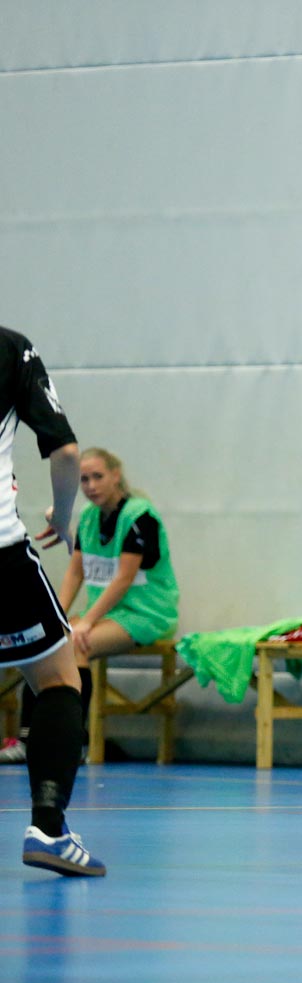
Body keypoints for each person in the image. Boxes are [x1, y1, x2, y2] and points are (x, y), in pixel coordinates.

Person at [0, 324, 105, 876]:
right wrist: (64, 516)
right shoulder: (10, 349)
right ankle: (48, 828)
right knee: (60, 680)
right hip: (2, 558)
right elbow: (64, 449)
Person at [3, 448, 181, 767]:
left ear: (116, 475)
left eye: (98, 476)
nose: (90, 485)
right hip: (106, 614)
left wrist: (85, 622)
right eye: (83, 479)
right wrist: (53, 617)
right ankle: (29, 738)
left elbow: (124, 579)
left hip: (146, 614)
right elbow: (75, 571)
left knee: (75, 646)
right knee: (45, 643)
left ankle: (75, 742)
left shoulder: (139, 516)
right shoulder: (87, 517)